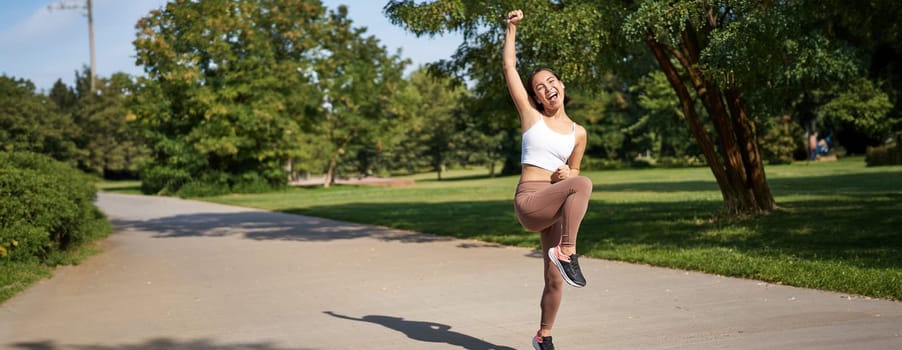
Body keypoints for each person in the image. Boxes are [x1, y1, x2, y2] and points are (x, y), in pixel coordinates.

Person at [503, 9, 593, 350]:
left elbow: (575, 173)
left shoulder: (578, 133)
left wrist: (570, 174)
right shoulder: (531, 117)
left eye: (550, 81)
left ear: (561, 85)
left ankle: (543, 337)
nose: (546, 88)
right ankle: (567, 251)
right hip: (530, 201)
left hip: (555, 205)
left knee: (554, 280)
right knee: (583, 187)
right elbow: (510, 68)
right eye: (539, 88)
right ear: (537, 98)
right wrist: (511, 29)